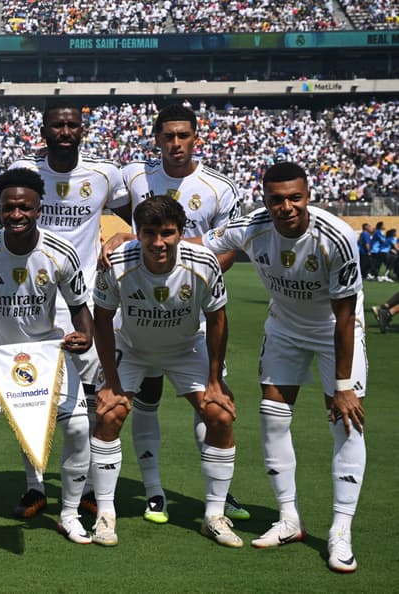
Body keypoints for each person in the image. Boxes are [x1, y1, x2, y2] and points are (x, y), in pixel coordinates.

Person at [202, 161, 366, 573]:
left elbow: (345, 315)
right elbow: (196, 244)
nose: (287, 207)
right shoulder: (251, 228)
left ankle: (340, 529)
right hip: (284, 329)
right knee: (272, 417)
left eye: (295, 198)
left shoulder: (338, 238)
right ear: (265, 200)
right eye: (277, 200)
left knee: (346, 419)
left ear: (308, 196)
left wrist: (344, 385)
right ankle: (289, 518)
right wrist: (133, 239)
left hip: (334, 330)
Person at [103, 103, 248, 523]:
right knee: (145, 403)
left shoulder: (219, 187)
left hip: (192, 315)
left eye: (183, 135)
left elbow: (229, 249)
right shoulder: (133, 176)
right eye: (168, 136)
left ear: (195, 137)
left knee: (211, 405)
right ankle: (153, 492)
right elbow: (106, 212)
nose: (176, 143)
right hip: (140, 314)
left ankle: (219, 497)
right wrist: (124, 240)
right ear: (157, 139)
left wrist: (184, 279)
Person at [90, 195, 239, 548]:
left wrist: (215, 381)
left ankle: (214, 515)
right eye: (150, 233)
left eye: (168, 233)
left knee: (220, 414)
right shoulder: (116, 263)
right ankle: (105, 515)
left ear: (181, 233)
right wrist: (111, 383)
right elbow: (101, 319)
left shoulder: (204, 262)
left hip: (185, 349)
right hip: (133, 348)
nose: (159, 243)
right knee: (111, 414)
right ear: (137, 234)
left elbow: (218, 320)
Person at [0, 167, 95, 544]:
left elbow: (81, 308)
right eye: (10, 207)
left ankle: (69, 514)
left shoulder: (60, 253)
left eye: (25, 208)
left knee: (80, 427)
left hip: (45, 355)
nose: (17, 214)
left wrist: (85, 334)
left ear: (39, 208)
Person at [6, 98, 130, 519]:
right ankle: (34, 486)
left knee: (96, 398)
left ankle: (92, 487)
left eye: (71, 125)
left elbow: (135, 215)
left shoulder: (103, 174)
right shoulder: (24, 170)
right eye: (56, 125)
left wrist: (121, 236)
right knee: (31, 394)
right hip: (32, 302)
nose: (64, 131)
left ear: (82, 128)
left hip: (87, 302)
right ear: (43, 130)